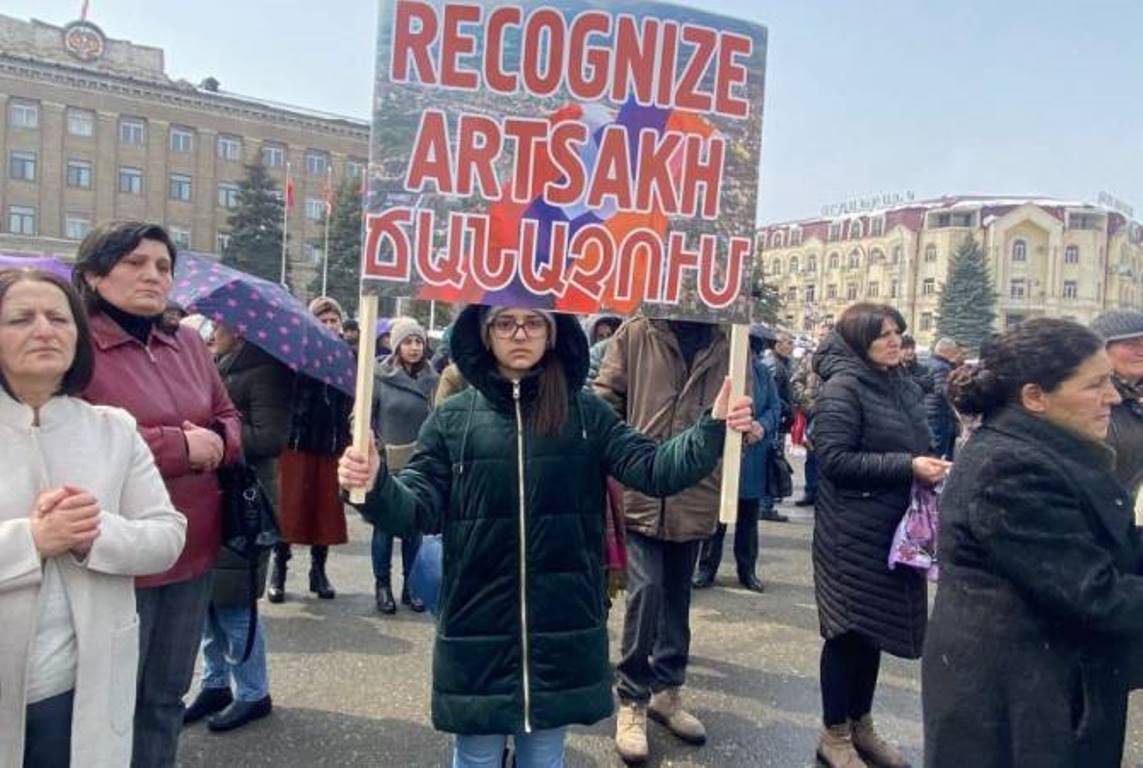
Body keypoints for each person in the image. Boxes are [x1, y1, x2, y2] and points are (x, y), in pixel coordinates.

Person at [337, 305, 753, 768]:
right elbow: (416, 508)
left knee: (544, 755)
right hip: (477, 623)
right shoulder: (452, 420)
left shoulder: (585, 415)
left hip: (562, 621)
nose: (520, 333)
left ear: (553, 334)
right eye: (505, 323)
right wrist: (374, 485)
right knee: (475, 755)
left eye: (534, 322)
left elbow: (654, 470)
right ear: (485, 333)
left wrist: (711, 428)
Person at [923, 318, 1143, 768]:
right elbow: (1093, 591)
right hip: (1018, 711)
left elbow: (1103, 542)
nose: (1114, 397)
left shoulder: (1045, 449)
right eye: (1095, 385)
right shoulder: (1011, 469)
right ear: (1035, 397)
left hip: (1043, 693)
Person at [72, 221, 242, 767]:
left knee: (166, 698)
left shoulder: (188, 341)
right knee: (106, 702)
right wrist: (178, 447)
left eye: (163, 266)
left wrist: (218, 441)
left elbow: (229, 417)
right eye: (135, 263)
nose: (153, 275)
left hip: (192, 551)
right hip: (115, 557)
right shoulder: (76, 345)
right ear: (95, 274)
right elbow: (76, 432)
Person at [0, 268, 186, 768]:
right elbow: (36, 541)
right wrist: (32, 540)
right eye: (21, 318)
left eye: (59, 318)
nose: (45, 329)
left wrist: (91, 533)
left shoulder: (112, 429)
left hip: (80, 687)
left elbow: (167, 536)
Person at [594, 317, 739, 764]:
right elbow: (606, 399)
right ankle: (633, 698)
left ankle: (668, 692)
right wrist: (611, 453)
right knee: (646, 591)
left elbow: (741, 409)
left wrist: (745, 430)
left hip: (696, 489)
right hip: (638, 487)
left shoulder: (732, 342)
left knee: (678, 595)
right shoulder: (637, 333)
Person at [811, 302, 948, 768]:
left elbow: (917, 442)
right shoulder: (842, 390)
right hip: (848, 533)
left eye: (898, 333)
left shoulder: (904, 387)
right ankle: (833, 733)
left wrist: (928, 464)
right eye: (882, 334)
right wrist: (906, 465)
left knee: (874, 631)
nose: (895, 341)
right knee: (847, 633)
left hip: (894, 531)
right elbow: (832, 460)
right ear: (858, 341)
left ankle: (861, 725)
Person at [184, 321, 293, 732]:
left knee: (234, 604)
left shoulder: (268, 372)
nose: (213, 332)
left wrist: (213, 432)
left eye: (220, 327)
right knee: (209, 602)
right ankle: (215, 684)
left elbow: (269, 439)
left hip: (243, 499)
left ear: (243, 331)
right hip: (212, 492)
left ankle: (253, 692)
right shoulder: (221, 363)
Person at [269, 296, 353, 603]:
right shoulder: (295, 354)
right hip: (297, 442)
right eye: (324, 319)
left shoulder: (348, 357)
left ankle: (319, 571)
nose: (330, 325)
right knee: (289, 509)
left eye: (335, 320)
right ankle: (279, 569)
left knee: (325, 511)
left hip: (331, 444)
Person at [693, 345, 780, 591]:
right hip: (719, 455)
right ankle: (706, 569)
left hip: (752, 456)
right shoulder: (715, 367)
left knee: (748, 518)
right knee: (715, 518)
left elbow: (775, 408)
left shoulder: (762, 372)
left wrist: (760, 426)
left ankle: (747, 571)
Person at [370, 317, 439, 614]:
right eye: (408, 342)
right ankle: (382, 585)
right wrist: (368, 439)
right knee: (384, 528)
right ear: (397, 345)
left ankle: (412, 586)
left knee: (414, 528)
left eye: (418, 342)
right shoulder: (379, 376)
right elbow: (359, 417)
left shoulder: (434, 381)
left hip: (420, 462)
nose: (414, 348)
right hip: (387, 462)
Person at [1090, 309, 1143, 501]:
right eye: (1130, 344)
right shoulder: (1089, 398)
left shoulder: (1135, 396)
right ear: (1101, 349)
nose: (1141, 350)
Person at [790, 321, 833, 507]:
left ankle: (826, 495)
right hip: (813, 412)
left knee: (831, 455)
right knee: (811, 455)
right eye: (821, 336)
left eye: (826, 336)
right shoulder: (809, 359)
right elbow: (796, 381)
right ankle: (811, 491)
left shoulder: (844, 359)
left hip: (833, 414)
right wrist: (806, 401)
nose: (822, 339)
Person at [761, 331, 795, 521]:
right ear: (777, 345)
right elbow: (772, 395)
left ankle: (768, 501)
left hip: (779, 420)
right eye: (787, 342)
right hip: (775, 421)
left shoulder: (781, 363)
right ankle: (766, 504)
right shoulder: (774, 365)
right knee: (772, 460)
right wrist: (784, 410)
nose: (791, 346)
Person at [924, 337, 961, 460]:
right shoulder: (943, 367)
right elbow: (943, 391)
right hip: (939, 413)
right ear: (947, 351)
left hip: (928, 410)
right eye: (955, 351)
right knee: (939, 448)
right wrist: (955, 408)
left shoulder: (929, 362)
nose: (957, 355)